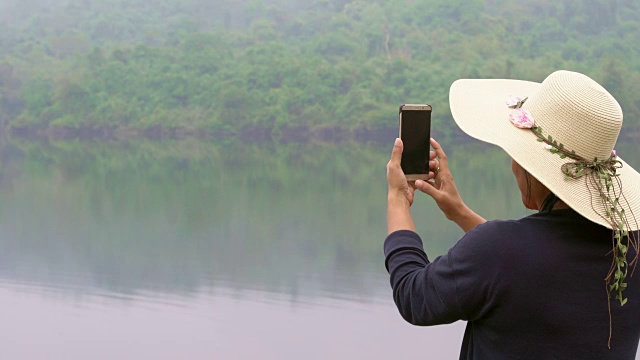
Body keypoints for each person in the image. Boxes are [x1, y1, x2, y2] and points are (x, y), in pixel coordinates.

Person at [384, 70, 640, 359]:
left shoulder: (499, 249)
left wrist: (398, 199)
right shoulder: (631, 247)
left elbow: (414, 296)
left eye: (518, 155)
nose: (514, 166)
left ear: (537, 170)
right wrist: (460, 213)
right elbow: (528, 261)